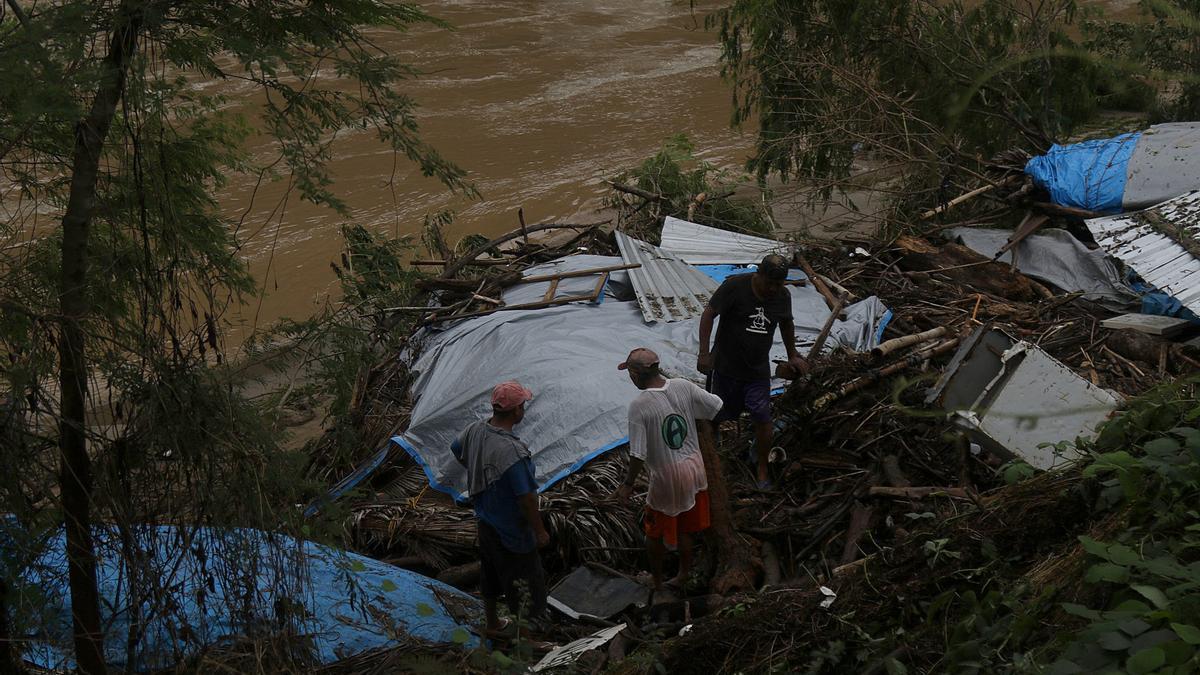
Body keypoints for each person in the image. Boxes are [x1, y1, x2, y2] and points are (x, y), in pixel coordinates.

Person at [614, 348, 724, 593]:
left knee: (654, 533)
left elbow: (638, 454)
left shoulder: (639, 406)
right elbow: (716, 405)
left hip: (667, 475)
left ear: (635, 374)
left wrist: (628, 484)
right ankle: (683, 573)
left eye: (630, 373)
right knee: (685, 523)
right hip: (695, 467)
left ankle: (656, 583)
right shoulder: (682, 386)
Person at [697, 253, 810, 488]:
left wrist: (792, 354)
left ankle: (761, 467)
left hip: (757, 370)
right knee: (715, 412)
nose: (772, 289)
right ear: (758, 275)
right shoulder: (735, 287)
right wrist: (704, 352)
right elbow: (709, 313)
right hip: (725, 366)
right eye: (769, 283)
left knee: (762, 416)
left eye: (778, 284)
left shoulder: (782, 296)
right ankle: (710, 459)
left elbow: (786, 323)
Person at [451, 380, 549, 639]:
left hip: (485, 520)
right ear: (517, 411)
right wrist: (539, 532)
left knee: (491, 574)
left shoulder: (475, 430)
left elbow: (456, 449)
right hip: (512, 530)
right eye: (523, 405)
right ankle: (526, 640)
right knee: (525, 583)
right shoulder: (512, 452)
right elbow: (526, 499)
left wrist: (476, 468)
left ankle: (493, 623)